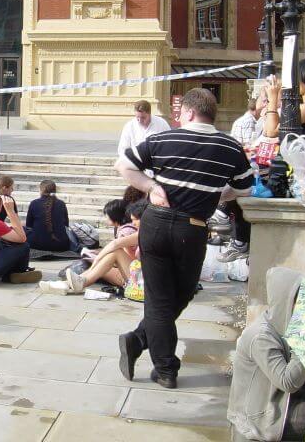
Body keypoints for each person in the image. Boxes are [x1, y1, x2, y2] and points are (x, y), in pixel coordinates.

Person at [115, 88, 253, 389]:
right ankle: (165, 368)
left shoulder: (164, 139)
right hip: (192, 229)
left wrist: (150, 186)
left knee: (164, 298)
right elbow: (244, 188)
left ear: (188, 113)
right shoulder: (230, 147)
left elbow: (124, 165)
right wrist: (217, 195)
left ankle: (139, 340)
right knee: (177, 294)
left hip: (156, 224)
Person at [228, 267, 305, 441]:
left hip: (284, 402)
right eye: (300, 300)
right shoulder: (261, 337)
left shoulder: (286, 326)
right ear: (285, 301)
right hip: (261, 417)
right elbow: (288, 382)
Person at [39, 199, 145, 295]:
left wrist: (97, 260)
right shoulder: (139, 231)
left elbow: (117, 247)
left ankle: (73, 283)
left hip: (140, 279)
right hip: (138, 274)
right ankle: (67, 284)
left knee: (110, 256)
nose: (133, 222)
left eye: (135, 219)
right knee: (103, 261)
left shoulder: (129, 231)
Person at [264, 57, 305, 141]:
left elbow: (271, 132)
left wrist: (272, 98)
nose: (294, 82)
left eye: (296, 78)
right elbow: (268, 129)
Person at [25, 180, 71, 253]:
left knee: (23, 229)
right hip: (61, 245)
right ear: (55, 191)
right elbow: (66, 224)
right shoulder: (61, 204)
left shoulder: (34, 203)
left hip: (37, 244)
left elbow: (29, 225)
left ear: (41, 190)